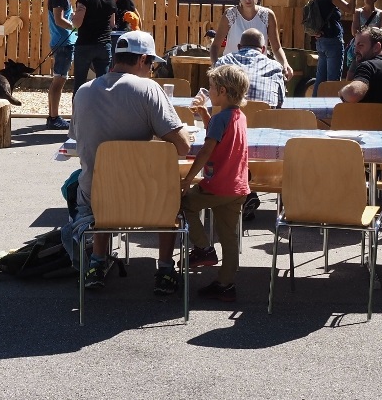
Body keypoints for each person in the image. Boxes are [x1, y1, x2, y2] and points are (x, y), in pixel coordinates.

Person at [68, 31, 192, 293]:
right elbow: (183, 146)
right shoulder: (148, 89)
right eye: (152, 65)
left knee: (101, 178)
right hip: (145, 197)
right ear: (143, 60)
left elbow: (77, 139)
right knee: (169, 187)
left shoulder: (83, 92)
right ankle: (165, 268)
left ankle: (97, 262)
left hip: (96, 198)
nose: (152, 71)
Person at [182, 65, 251, 302]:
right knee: (229, 237)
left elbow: (206, 150)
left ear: (222, 91)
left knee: (184, 204)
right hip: (237, 187)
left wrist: (188, 179)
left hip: (217, 185)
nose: (209, 91)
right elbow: (220, 133)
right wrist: (204, 114)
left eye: (211, 87)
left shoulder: (221, 118)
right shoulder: (238, 116)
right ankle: (226, 284)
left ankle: (203, 248)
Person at [209, 0, 293, 80]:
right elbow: (215, 46)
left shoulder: (267, 15)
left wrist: (285, 64)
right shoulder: (230, 15)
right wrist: (215, 66)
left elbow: (276, 48)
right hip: (232, 72)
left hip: (258, 71)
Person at [211, 28, 285, 107]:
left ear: (239, 47)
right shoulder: (275, 67)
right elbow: (280, 102)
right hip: (264, 114)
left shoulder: (223, 62)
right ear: (263, 49)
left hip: (228, 114)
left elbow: (214, 97)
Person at [46, 0, 81, 129]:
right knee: (59, 81)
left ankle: (53, 116)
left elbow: (66, 16)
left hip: (65, 42)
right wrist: (77, 27)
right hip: (63, 43)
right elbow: (59, 20)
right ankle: (53, 118)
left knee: (59, 79)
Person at [72, 0, 117, 94]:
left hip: (85, 44)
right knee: (103, 84)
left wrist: (72, 17)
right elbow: (112, 24)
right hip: (103, 44)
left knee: (79, 83)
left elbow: (77, 23)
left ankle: (78, 107)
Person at [339, 27, 382, 109]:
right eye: (355, 46)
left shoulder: (368, 66)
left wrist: (341, 93)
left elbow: (352, 94)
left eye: (361, 45)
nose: (355, 51)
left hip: (373, 117)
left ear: (376, 47)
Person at [312, 0, 352, 94]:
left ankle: (314, 102)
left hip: (321, 41)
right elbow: (349, 9)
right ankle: (331, 104)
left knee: (320, 79)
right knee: (332, 80)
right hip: (333, 41)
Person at [346, 0, 382, 73]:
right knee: (352, 72)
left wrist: (366, 32)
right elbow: (354, 31)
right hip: (360, 46)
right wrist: (373, 31)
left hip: (374, 47)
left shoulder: (381, 14)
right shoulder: (358, 12)